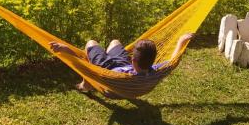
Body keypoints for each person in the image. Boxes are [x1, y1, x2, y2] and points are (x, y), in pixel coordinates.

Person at [49, 32, 194, 92]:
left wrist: (67, 50)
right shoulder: (157, 72)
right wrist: (181, 41)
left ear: (133, 59)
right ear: (153, 60)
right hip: (122, 65)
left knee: (91, 43)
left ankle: (85, 85)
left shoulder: (114, 77)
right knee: (114, 42)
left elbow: (87, 67)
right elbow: (173, 61)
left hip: (106, 68)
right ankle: (86, 83)